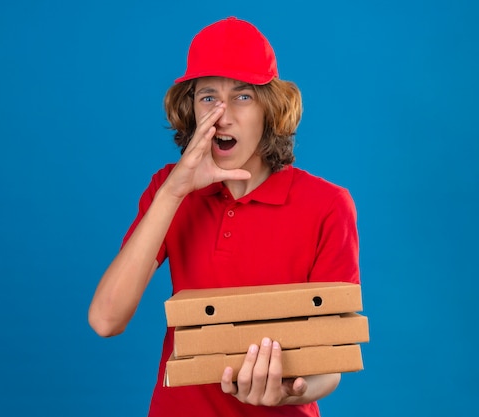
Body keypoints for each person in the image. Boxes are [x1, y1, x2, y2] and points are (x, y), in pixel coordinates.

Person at [88, 16, 360, 417]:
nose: (223, 115)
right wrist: (175, 191)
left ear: (270, 108)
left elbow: (334, 356)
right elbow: (105, 319)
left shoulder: (327, 204)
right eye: (208, 97)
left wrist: (290, 390)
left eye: (243, 96)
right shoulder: (169, 189)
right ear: (192, 108)